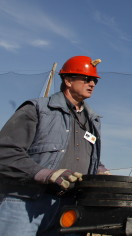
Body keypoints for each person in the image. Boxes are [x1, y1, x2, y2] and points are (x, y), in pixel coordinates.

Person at [0, 55, 109, 236]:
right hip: (27, 202)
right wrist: (46, 174)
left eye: (95, 81)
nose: (92, 84)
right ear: (67, 80)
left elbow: (86, 156)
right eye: (87, 79)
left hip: (69, 207)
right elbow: (5, 152)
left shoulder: (92, 121)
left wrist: (100, 170)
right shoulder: (37, 110)